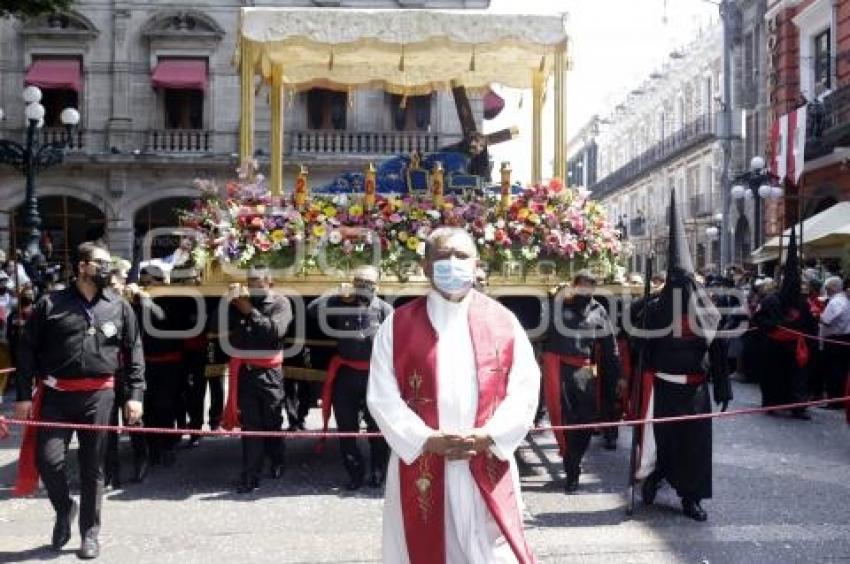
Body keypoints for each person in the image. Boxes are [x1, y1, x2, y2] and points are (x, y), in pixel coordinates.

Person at [367, 227, 539, 563]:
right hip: (423, 461)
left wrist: (491, 435)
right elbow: (381, 394)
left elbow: (525, 388)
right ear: (426, 266)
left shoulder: (503, 321)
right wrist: (425, 439)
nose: (453, 263)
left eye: (462, 256)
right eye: (443, 257)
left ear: (477, 264)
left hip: (486, 456)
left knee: (492, 552)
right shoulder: (398, 324)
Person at [14, 241, 144, 559]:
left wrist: (135, 395)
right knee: (49, 461)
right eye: (100, 262)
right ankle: (64, 508)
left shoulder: (119, 305)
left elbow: (134, 349)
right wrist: (22, 396)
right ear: (82, 266)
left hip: (100, 396)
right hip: (57, 396)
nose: (106, 268)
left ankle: (90, 533)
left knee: (93, 467)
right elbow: (26, 349)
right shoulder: (50, 304)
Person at [632, 192, 732, 522]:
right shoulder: (655, 310)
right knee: (664, 442)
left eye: (683, 282)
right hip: (663, 388)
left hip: (695, 391)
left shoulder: (705, 311)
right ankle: (654, 478)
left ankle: (692, 498)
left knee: (695, 447)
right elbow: (637, 334)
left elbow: (718, 350)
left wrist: (723, 388)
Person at [309, 265, 393, 490]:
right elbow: (312, 310)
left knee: (377, 429)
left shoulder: (385, 310)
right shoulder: (341, 304)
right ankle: (355, 474)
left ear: (377, 285)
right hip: (346, 375)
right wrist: (336, 293)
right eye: (359, 281)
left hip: (374, 376)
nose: (363, 286)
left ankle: (378, 473)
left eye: (368, 282)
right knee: (346, 428)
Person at [542, 271, 623, 493]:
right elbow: (544, 326)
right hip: (560, 367)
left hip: (586, 368)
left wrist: (618, 375)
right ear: (575, 285)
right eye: (582, 286)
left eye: (591, 286)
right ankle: (572, 468)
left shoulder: (599, 310)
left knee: (587, 418)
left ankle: (575, 457)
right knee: (567, 418)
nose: (586, 290)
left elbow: (610, 345)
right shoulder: (559, 304)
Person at [222, 265, 292, 494]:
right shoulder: (239, 303)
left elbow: (275, 332)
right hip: (246, 372)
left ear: (269, 283)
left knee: (271, 421)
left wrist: (249, 311)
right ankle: (251, 474)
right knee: (251, 425)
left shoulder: (281, 303)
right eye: (250, 282)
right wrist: (227, 302)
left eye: (258, 282)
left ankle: (277, 458)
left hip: (269, 372)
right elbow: (215, 326)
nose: (253, 286)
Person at [752, 228, 816, 419]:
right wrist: (774, 326)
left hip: (795, 347)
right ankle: (772, 403)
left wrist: (807, 340)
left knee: (797, 377)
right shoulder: (771, 300)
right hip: (774, 346)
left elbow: (810, 325)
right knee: (773, 376)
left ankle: (798, 405)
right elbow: (759, 318)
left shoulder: (803, 303)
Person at [133, 265, 185, 468]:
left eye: (149, 283)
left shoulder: (174, 298)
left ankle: (168, 445)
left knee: (166, 406)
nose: (145, 287)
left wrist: (146, 301)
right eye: (142, 283)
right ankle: (152, 448)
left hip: (169, 363)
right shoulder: (138, 300)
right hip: (145, 362)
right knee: (148, 409)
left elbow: (162, 319)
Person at [819, 277, 850, 404]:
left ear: (831, 288)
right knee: (842, 369)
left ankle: (834, 399)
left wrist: (818, 316)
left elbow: (826, 320)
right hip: (844, 337)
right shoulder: (845, 300)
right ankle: (840, 398)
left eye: (827, 288)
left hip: (835, 339)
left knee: (833, 370)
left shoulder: (836, 302)